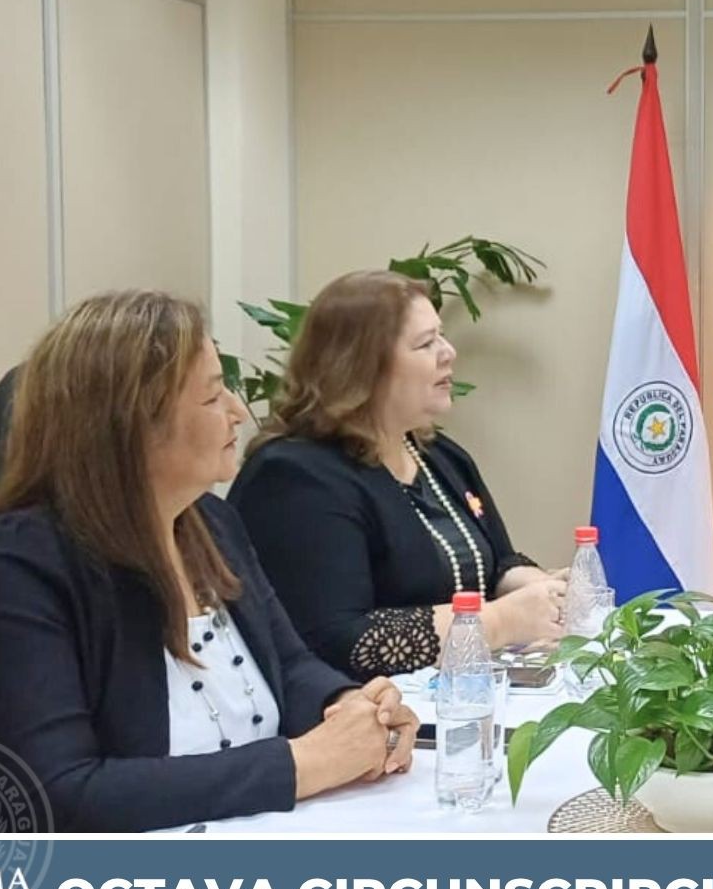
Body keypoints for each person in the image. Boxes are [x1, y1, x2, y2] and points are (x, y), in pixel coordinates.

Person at [0, 291, 417, 832]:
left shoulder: (210, 522)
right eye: (212, 397)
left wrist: (350, 707)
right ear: (133, 424)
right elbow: (57, 794)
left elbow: (289, 664)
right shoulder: (10, 567)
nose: (237, 412)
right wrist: (305, 763)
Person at [230, 270, 564, 679]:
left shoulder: (438, 454)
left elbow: (494, 563)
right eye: (426, 343)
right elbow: (339, 640)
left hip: (462, 692)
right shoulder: (294, 477)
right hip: (359, 708)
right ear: (361, 367)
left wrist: (538, 589)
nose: (449, 352)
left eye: (442, 336)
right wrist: (499, 622)